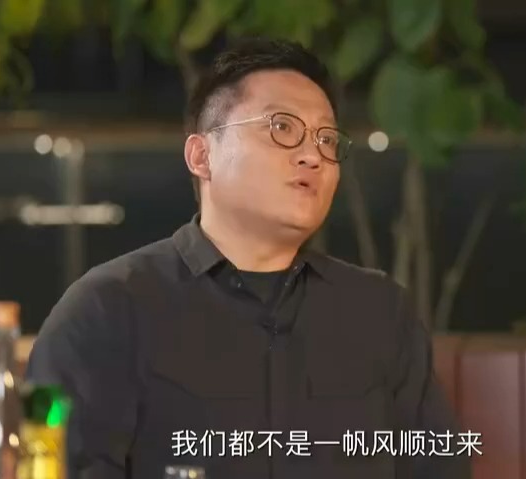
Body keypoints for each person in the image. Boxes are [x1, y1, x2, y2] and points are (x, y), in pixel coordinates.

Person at [26, 36, 470, 479]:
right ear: (202, 156)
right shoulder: (105, 311)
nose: (312, 156)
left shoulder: (379, 311)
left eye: (327, 139)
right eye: (282, 127)